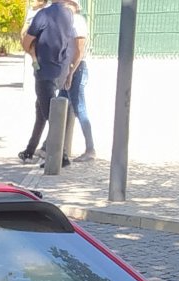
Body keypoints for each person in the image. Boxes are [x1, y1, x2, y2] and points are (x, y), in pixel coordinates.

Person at [18, 0, 77, 164]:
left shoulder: (43, 15)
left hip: (44, 71)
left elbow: (26, 41)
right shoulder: (68, 15)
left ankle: (61, 156)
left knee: (51, 116)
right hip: (59, 70)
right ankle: (30, 150)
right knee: (41, 112)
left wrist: (32, 52)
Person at [64, 0, 96, 161]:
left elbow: (80, 50)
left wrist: (70, 72)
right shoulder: (68, 21)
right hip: (68, 70)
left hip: (76, 69)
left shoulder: (78, 21)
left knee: (80, 109)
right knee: (59, 106)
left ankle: (90, 149)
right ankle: (50, 147)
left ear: (75, 6)